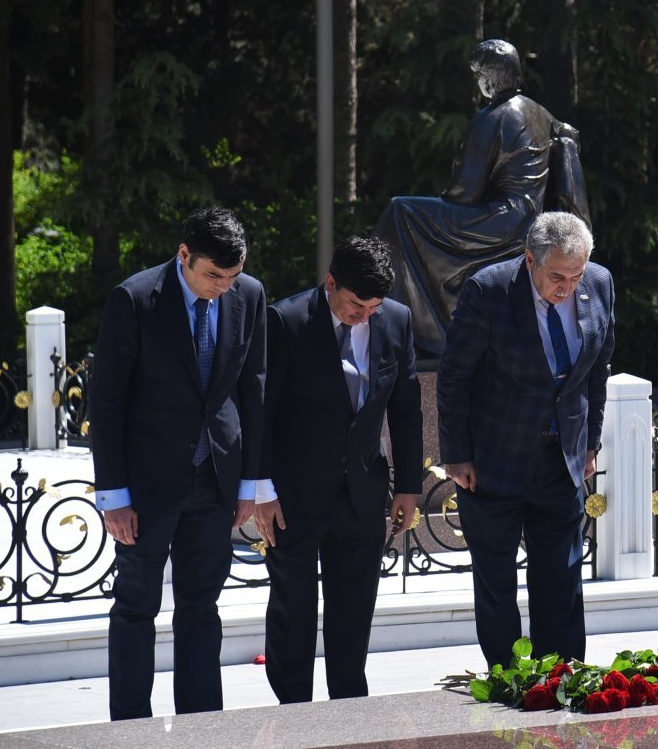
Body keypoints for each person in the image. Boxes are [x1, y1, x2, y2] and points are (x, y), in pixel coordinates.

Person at [89, 207, 266, 721]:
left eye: (232, 276)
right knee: (136, 608)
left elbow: (252, 392)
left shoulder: (248, 296)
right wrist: (114, 496)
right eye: (214, 275)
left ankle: (202, 724)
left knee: (200, 609)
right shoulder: (135, 298)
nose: (223, 287)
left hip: (216, 483)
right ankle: (130, 728)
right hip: (145, 489)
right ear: (184, 255)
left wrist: (249, 482)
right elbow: (107, 404)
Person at [436, 211, 615, 670]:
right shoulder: (488, 290)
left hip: (563, 460)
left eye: (576, 275)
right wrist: (456, 455)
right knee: (497, 582)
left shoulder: (600, 283)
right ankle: (508, 679)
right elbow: (455, 377)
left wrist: (590, 442)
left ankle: (563, 675)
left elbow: (597, 371)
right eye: (557, 276)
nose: (568, 287)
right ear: (529, 258)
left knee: (561, 576)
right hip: (494, 460)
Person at [254, 236, 422, 703]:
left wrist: (408, 486)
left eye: (373, 307)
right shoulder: (285, 320)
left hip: (363, 492)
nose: (363, 315)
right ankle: (293, 713)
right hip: (294, 495)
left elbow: (406, 409)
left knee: (354, 612)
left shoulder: (397, 321)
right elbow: (261, 411)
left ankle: (349, 712)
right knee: (293, 610)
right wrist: (262, 488)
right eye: (354, 304)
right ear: (331, 283)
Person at [373, 39, 590, 361]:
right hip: (530, 217)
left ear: (489, 75)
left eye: (478, 74)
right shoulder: (539, 112)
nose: (478, 82)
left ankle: (410, 332)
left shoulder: (493, 117)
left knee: (401, 212)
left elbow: (465, 191)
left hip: (502, 221)